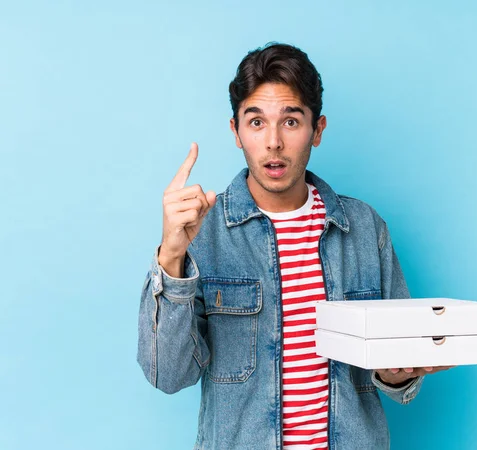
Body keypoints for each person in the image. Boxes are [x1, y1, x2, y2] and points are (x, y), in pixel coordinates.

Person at [137, 42, 452, 450]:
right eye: (255, 122)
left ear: (317, 130)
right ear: (235, 132)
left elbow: (398, 372)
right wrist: (172, 255)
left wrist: (399, 373)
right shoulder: (203, 233)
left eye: (290, 121)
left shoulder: (363, 228)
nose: (273, 142)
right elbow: (168, 375)